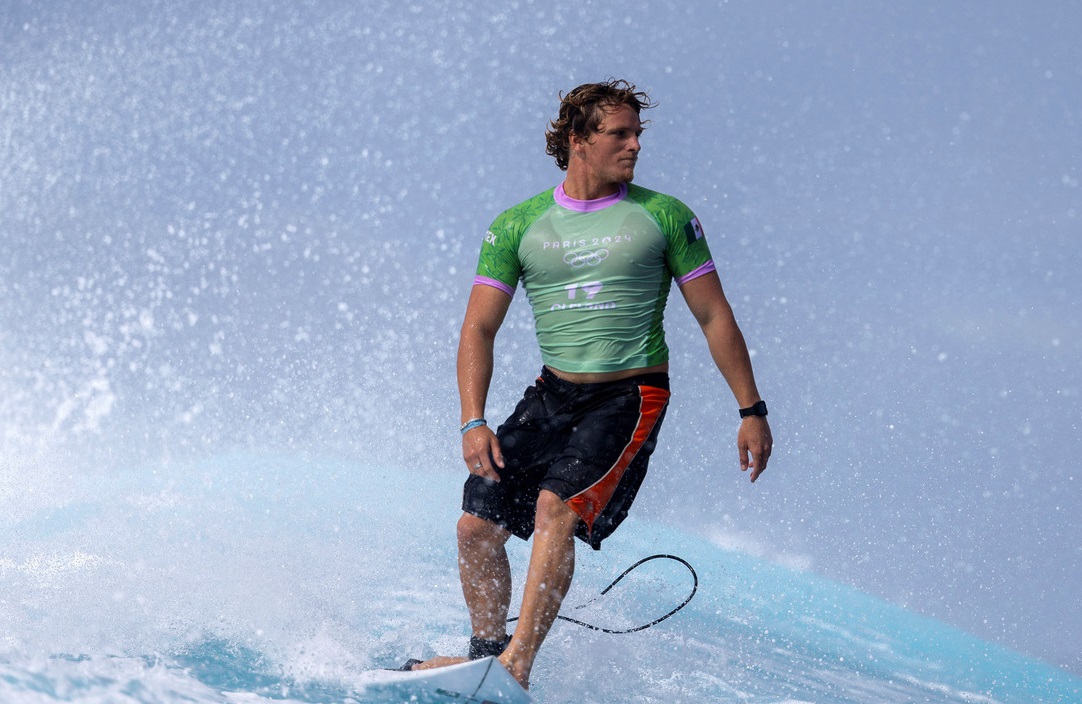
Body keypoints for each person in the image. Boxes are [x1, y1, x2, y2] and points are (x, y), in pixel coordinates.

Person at [413, 78, 773, 689]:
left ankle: (516, 668)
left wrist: (751, 408)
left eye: (638, 133)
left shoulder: (665, 216)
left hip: (629, 396)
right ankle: (486, 656)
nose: (635, 145)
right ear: (578, 140)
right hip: (551, 394)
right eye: (620, 134)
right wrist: (473, 420)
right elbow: (479, 328)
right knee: (476, 526)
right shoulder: (517, 225)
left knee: (556, 508)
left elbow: (714, 316)